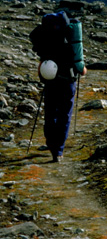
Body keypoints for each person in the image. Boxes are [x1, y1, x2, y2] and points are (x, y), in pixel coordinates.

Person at [30, 11, 87, 162]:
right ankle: (59, 151)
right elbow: (81, 69)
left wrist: (43, 78)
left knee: (50, 114)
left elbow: (41, 63)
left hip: (51, 82)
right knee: (64, 116)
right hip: (68, 82)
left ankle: (51, 144)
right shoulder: (71, 42)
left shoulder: (47, 42)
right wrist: (82, 68)